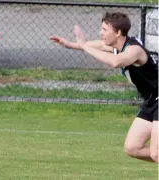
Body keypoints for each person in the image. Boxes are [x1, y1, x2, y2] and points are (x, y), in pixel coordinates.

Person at [50, 12, 158, 163]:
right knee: (132, 148)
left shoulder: (134, 50)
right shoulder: (120, 46)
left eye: (104, 30)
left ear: (118, 32)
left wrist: (83, 45)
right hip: (151, 102)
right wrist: (71, 44)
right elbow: (100, 45)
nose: (101, 33)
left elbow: (115, 62)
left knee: (156, 153)